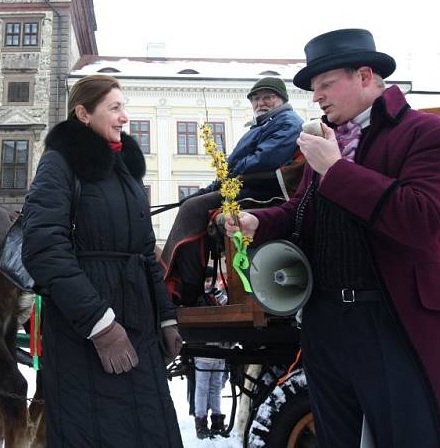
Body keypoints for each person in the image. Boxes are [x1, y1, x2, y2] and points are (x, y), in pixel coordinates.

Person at [225, 29, 440, 448]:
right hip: (328, 323)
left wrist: (337, 171)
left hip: (395, 322)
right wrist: (257, 222)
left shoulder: (431, 135)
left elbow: (421, 219)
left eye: (325, 84)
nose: (316, 97)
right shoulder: (328, 143)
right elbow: (299, 213)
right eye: (313, 89)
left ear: (365, 76)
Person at [21, 74, 184, 447]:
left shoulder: (123, 170)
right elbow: (43, 249)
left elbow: (144, 252)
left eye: (123, 107)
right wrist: (100, 325)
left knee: (151, 427)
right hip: (87, 333)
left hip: (139, 326)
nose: (124, 117)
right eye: (114, 108)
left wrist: (166, 317)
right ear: (82, 113)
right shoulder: (59, 164)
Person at [163, 77, 304, 306]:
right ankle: (185, 286)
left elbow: (265, 160)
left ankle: (185, 290)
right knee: (191, 203)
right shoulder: (262, 125)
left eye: (267, 97)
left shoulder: (287, 122)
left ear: (282, 99)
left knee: (192, 209)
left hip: (261, 191)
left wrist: (226, 176)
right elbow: (229, 171)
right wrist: (205, 190)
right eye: (256, 99)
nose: (261, 103)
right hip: (242, 186)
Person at [193, 356, 229, 438]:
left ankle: (201, 425)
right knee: (215, 389)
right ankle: (217, 423)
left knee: (202, 390)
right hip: (220, 355)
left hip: (203, 356)